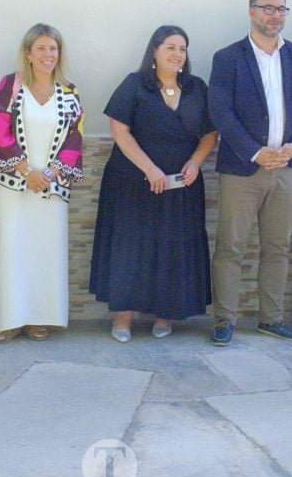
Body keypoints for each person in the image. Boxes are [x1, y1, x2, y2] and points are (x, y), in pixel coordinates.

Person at [89, 26, 218, 342]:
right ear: (155, 51)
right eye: (170, 47)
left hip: (180, 186)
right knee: (131, 247)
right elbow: (120, 131)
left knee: (173, 246)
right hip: (134, 182)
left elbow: (210, 134)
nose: (177, 54)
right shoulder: (134, 85)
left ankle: (166, 314)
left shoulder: (196, 88)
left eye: (183, 49)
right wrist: (150, 169)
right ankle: (123, 319)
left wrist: (195, 162)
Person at [207, 0, 292, 347]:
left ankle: (271, 319)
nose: (275, 15)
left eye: (281, 9)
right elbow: (221, 111)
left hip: (286, 168)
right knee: (230, 247)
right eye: (268, 8)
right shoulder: (228, 57)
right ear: (252, 11)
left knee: (277, 247)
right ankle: (224, 319)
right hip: (243, 169)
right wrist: (255, 151)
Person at [0, 24, 84, 342]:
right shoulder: (10, 86)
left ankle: (38, 318)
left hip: (51, 189)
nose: (48, 54)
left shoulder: (69, 92)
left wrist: (50, 174)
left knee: (45, 251)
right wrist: (27, 170)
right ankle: (10, 319)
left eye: (53, 48)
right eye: (41, 48)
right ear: (28, 53)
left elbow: (75, 138)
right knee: (12, 248)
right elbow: (0, 131)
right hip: (14, 184)